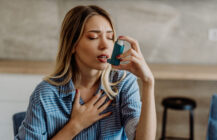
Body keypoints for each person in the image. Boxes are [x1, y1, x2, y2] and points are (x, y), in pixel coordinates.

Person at [15, 5, 156, 140]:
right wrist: (75, 125)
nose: (105, 45)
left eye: (110, 37)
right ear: (72, 45)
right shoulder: (45, 94)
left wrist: (148, 82)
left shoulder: (124, 83)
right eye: (93, 37)